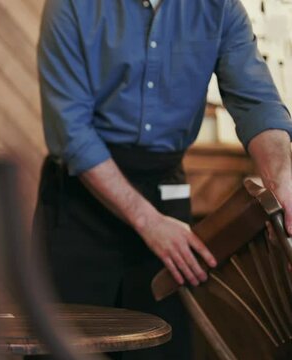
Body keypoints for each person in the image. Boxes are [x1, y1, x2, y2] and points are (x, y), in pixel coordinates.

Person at [34, 0, 292, 359]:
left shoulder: (220, 8)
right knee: (64, 345)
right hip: (80, 201)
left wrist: (282, 176)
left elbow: (257, 104)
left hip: (166, 192)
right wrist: (147, 221)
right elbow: (71, 131)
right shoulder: (72, 6)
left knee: (165, 348)